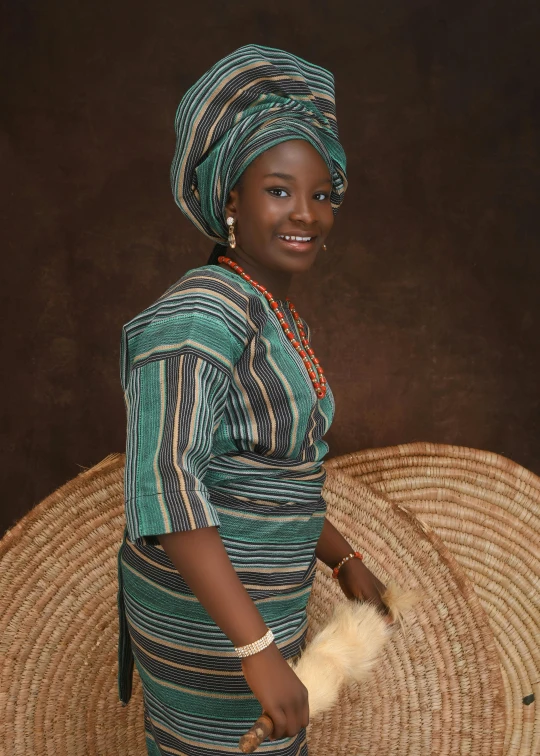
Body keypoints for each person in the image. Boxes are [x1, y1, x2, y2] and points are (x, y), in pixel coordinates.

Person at [117, 44, 392, 756]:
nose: (306, 212)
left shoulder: (271, 311)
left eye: (322, 194)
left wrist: (341, 558)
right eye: (279, 189)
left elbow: (279, 473)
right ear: (230, 200)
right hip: (212, 624)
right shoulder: (197, 318)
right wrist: (257, 648)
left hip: (262, 607)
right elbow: (169, 486)